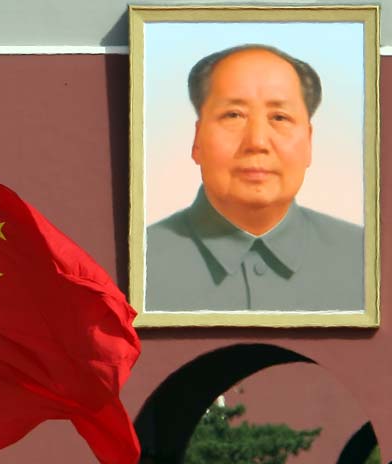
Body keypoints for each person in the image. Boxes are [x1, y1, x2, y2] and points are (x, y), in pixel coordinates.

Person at [146, 44, 364, 312]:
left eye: (280, 117)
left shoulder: (365, 259)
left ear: (309, 142)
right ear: (197, 140)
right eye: (233, 115)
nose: (257, 141)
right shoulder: (140, 262)